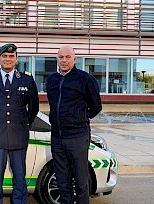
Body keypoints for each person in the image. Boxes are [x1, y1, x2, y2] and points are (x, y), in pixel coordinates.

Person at [0, 43, 39, 204]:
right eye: (4, 56)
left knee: (20, 178)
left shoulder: (27, 80)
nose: (8, 59)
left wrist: (25, 124)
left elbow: (33, 108)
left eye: (11, 56)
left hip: (18, 136)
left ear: (16, 59)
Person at [46, 46, 102, 204]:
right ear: (57, 59)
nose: (64, 60)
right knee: (62, 181)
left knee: (80, 181)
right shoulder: (51, 80)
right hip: (57, 137)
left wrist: (83, 118)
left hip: (77, 136)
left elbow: (96, 106)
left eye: (67, 57)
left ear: (74, 59)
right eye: (61, 57)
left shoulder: (85, 79)